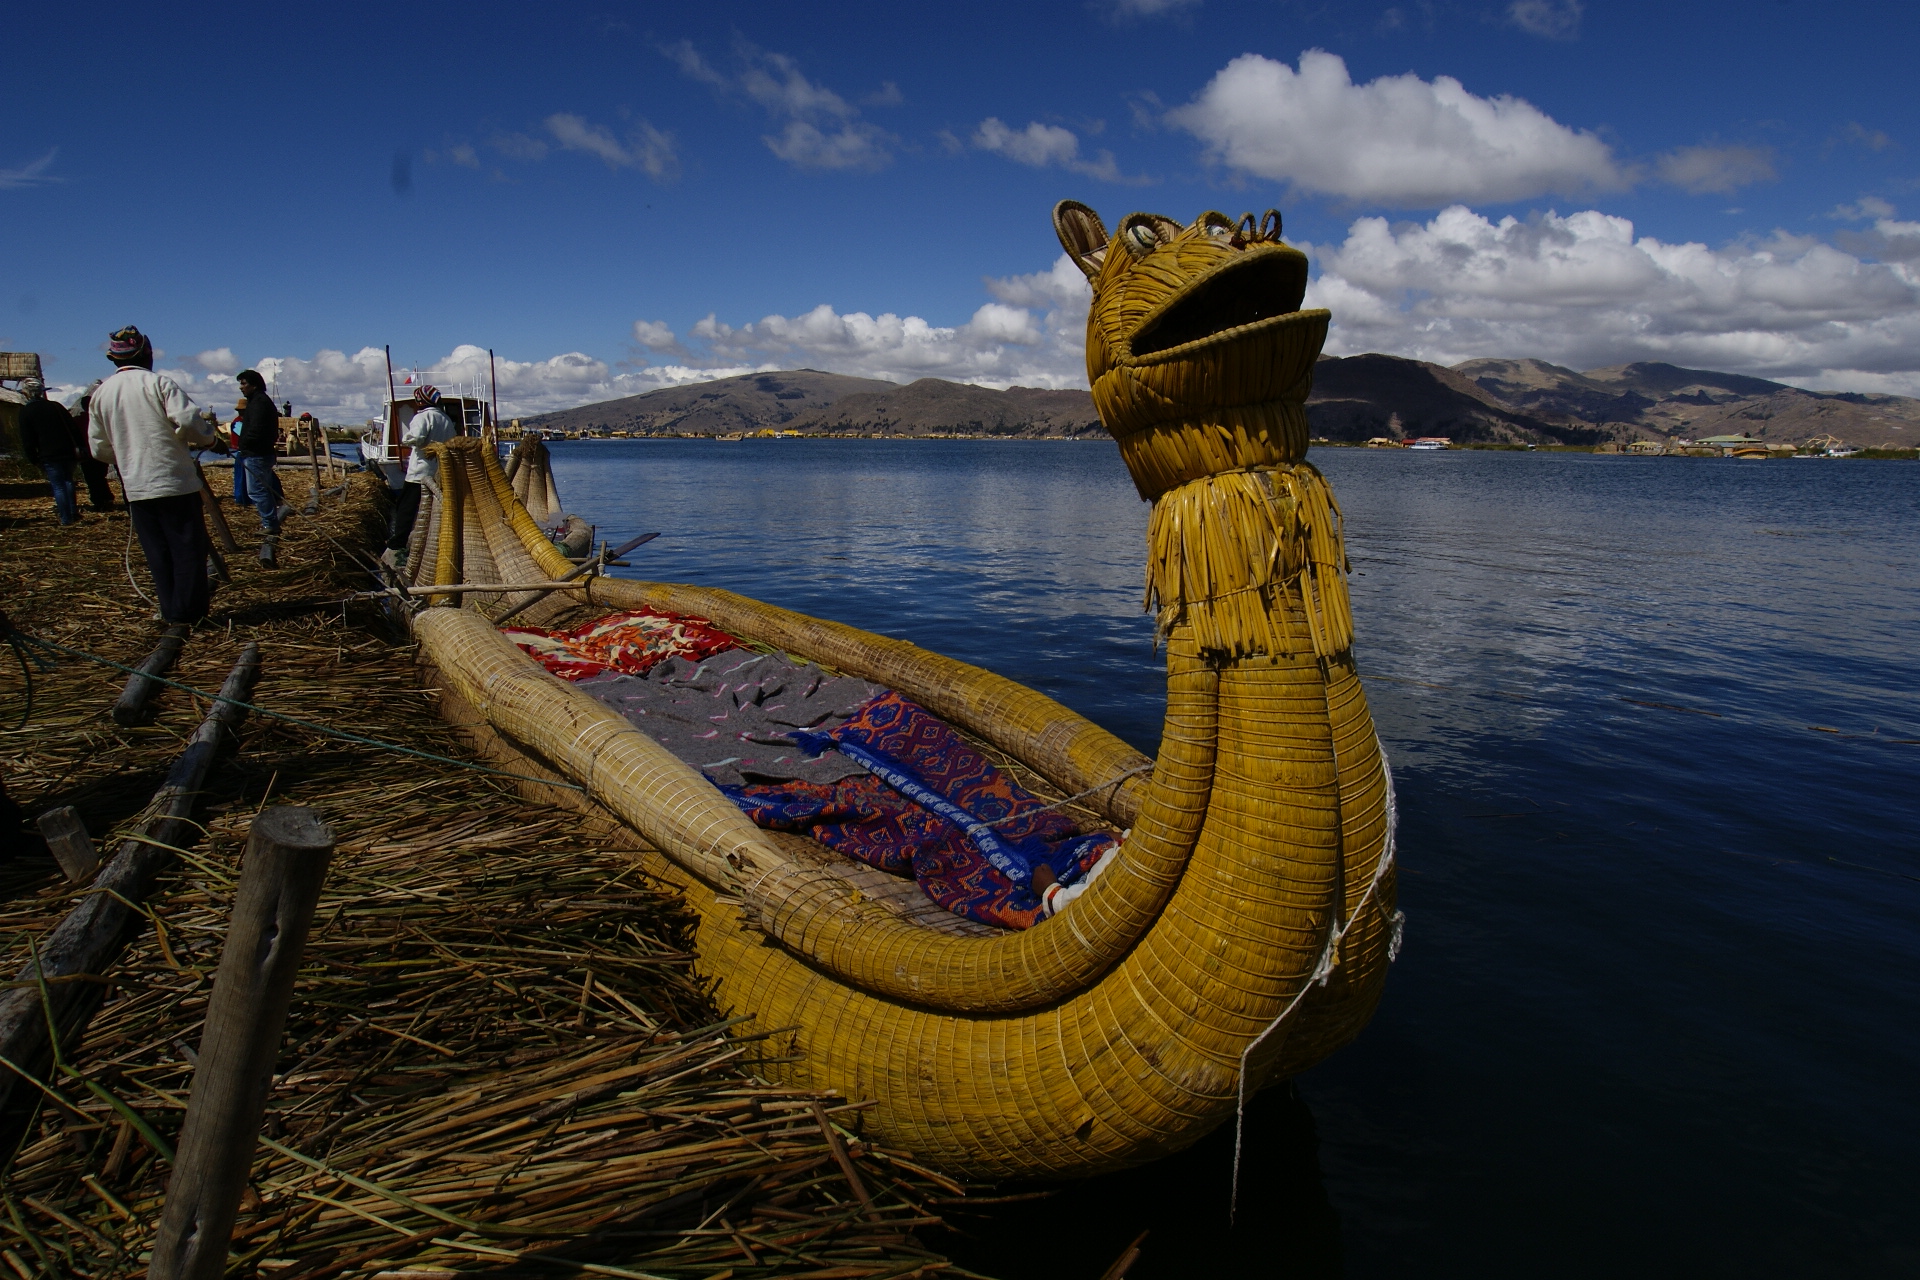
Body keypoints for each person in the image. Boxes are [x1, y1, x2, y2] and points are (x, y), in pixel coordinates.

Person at [86, 326, 226, 624]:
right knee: (187, 550)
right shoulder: (159, 384)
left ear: (114, 358)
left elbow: (99, 449)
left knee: (158, 552)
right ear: (147, 354)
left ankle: (172, 610)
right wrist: (211, 440)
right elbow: (189, 421)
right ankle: (190, 615)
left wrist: (128, 456)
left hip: (136, 487)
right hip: (173, 483)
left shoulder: (101, 394)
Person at [384, 384, 456, 567]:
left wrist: (405, 440)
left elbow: (415, 438)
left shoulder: (423, 417)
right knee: (433, 509)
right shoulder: (445, 418)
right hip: (439, 472)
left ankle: (397, 545)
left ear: (420, 401)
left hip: (419, 473)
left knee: (406, 508)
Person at [234, 371, 289, 549]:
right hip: (259, 452)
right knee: (263, 487)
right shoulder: (258, 401)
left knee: (256, 491)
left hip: (256, 454)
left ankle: (269, 524)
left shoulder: (259, 403)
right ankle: (270, 522)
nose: (241, 387)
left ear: (254, 384)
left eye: (243, 383)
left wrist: (245, 445)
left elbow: (256, 430)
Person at [16, 377, 81, 526]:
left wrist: (32, 457)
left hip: (48, 454)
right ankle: (73, 512)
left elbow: (28, 438)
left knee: (58, 486)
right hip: (67, 451)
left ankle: (66, 519)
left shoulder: (26, 411)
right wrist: (79, 446)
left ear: (26, 393)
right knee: (68, 481)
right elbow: (72, 427)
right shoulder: (56, 406)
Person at [65, 381, 116, 512]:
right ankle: (103, 499)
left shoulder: (79, 416)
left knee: (94, 477)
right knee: (95, 477)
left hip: (93, 449)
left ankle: (102, 499)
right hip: (93, 449)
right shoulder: (88, 416)